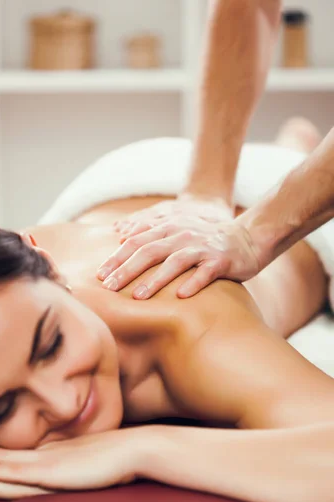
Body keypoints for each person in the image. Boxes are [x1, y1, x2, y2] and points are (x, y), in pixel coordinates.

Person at [0, 118, 334, 502]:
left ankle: (291, 151)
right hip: (107, 199)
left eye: (52, 346)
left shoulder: (189, 325)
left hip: (221, 195)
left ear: (50, 268)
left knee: (287, 165)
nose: (63, 403)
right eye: (0, 409)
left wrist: (148, 448)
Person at [96, 0, 334, 300]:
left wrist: (252, 235)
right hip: (153, 171)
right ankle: (292, 145)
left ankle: (292, 144)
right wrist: (206, 191)